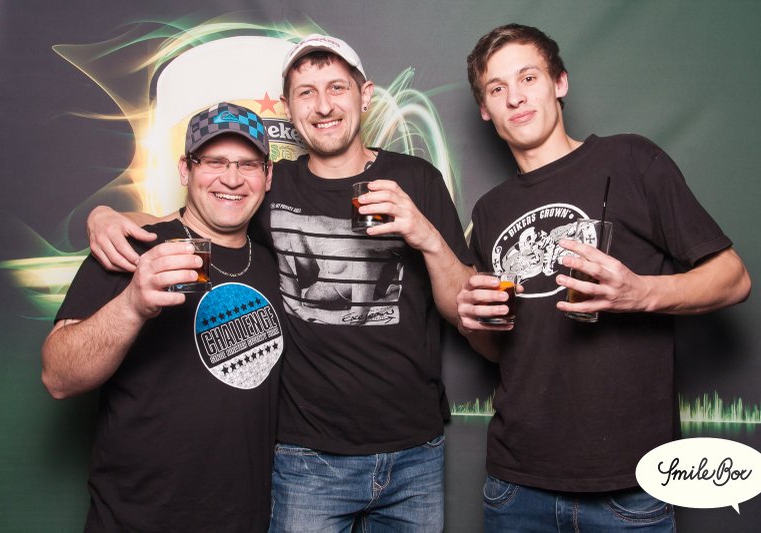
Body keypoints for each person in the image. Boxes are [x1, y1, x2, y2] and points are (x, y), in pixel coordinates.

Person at [86, 34, 474, 532]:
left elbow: (462, 307)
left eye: (336, 87)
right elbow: (193, 217)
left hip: (414, 452)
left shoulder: (416, 179)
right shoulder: (270, 185)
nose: (324, 105)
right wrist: (107, 216)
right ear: (289, 108)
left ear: (365, 95)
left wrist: (427, 236)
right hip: (307, 457)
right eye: (306, 92)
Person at [457, 24, 751, 532]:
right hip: (515, 485)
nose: (515, 97)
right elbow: (499, 349)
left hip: (628, 487)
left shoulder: (630, 160)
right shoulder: (489, 210)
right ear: (485, 109)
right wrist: (473, 322)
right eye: (497, 88)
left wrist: (641, 292)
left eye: (528, 78)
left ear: (560, 83)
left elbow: (734, 277)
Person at [42, 102, 285, 531]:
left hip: (244, 519)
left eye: (247, 164)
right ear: (185, 170)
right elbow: (58, 377)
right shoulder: (132, 247)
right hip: (138, 519)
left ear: (266, 177)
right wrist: (132, 303)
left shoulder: (273, 262)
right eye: (214, 161)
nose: (231, 178)